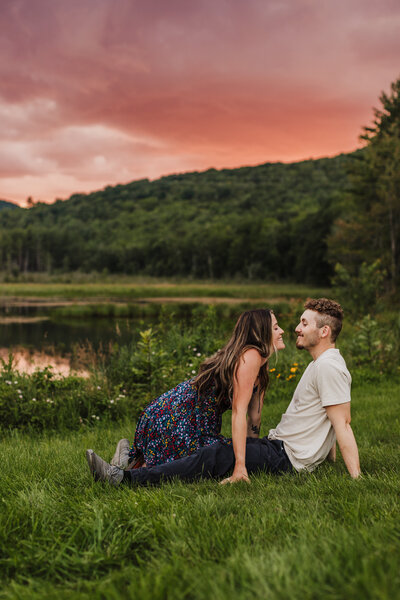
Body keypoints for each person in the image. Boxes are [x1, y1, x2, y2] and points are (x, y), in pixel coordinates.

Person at [86, 298, 361, 487]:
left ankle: (125, 476)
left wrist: (355, 478)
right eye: (278, 326)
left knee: (212, 453)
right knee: (210, 452)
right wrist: (245, 461)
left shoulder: (326, 367)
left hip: (284, 454)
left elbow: (341, 422)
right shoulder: (311, 363)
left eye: (304, 323)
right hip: (188, 413)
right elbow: (328, 416)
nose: (293, 329)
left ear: (324, 331)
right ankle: (130, 466)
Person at [106, 309, 285, 484]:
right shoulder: (250, 356)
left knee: (201, 457)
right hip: (180, 412)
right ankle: (123, 466)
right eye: (276, 327)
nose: (282, 331)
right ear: (259, 332)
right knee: (195, 461)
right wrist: (240, 467)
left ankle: (126, 460)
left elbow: (255, 416)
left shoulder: (261, 363)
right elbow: (239, 412)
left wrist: (252, 455)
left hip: (194, 413)